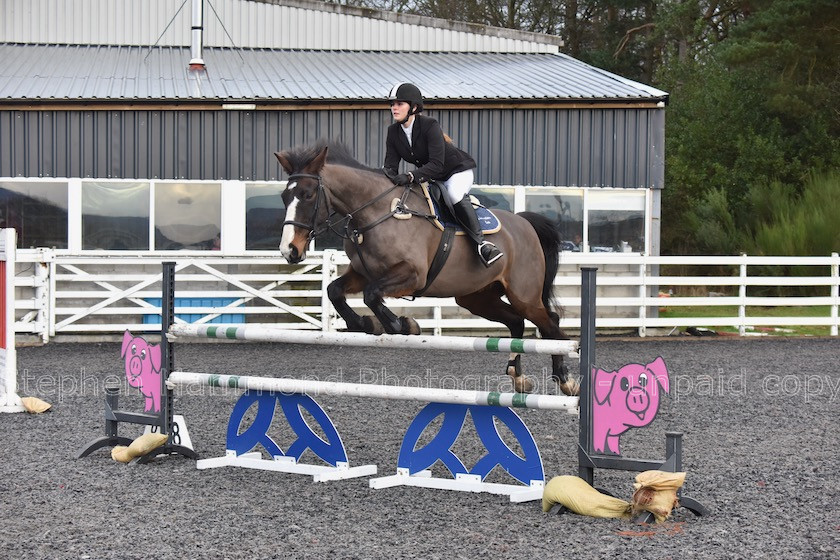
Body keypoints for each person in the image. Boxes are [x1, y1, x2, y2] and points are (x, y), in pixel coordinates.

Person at [383, 82, 503, 267]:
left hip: (456, 171)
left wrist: (409, 176)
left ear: (414, 107)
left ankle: (482, 245)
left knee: (454, 194)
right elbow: (390, 166)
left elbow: (437, 164)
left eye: (399, 103)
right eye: (392, 104)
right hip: (433, 177)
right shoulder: (393, 132)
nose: (394, 108)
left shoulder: (429, 125)